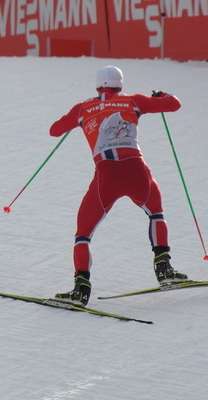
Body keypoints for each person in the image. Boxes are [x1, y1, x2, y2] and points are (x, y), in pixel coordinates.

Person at [50, 66, 187, 305]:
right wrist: (161, 95)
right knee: (156, 213)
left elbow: (54, 131)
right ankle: (164, 269)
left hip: (107, 175)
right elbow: (174, 104)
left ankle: (81, 289)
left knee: (83, 233)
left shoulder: (83, 108)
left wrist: (80, 120)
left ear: (97, 86)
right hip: (136, 170)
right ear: (120, 85)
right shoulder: (133, 101)